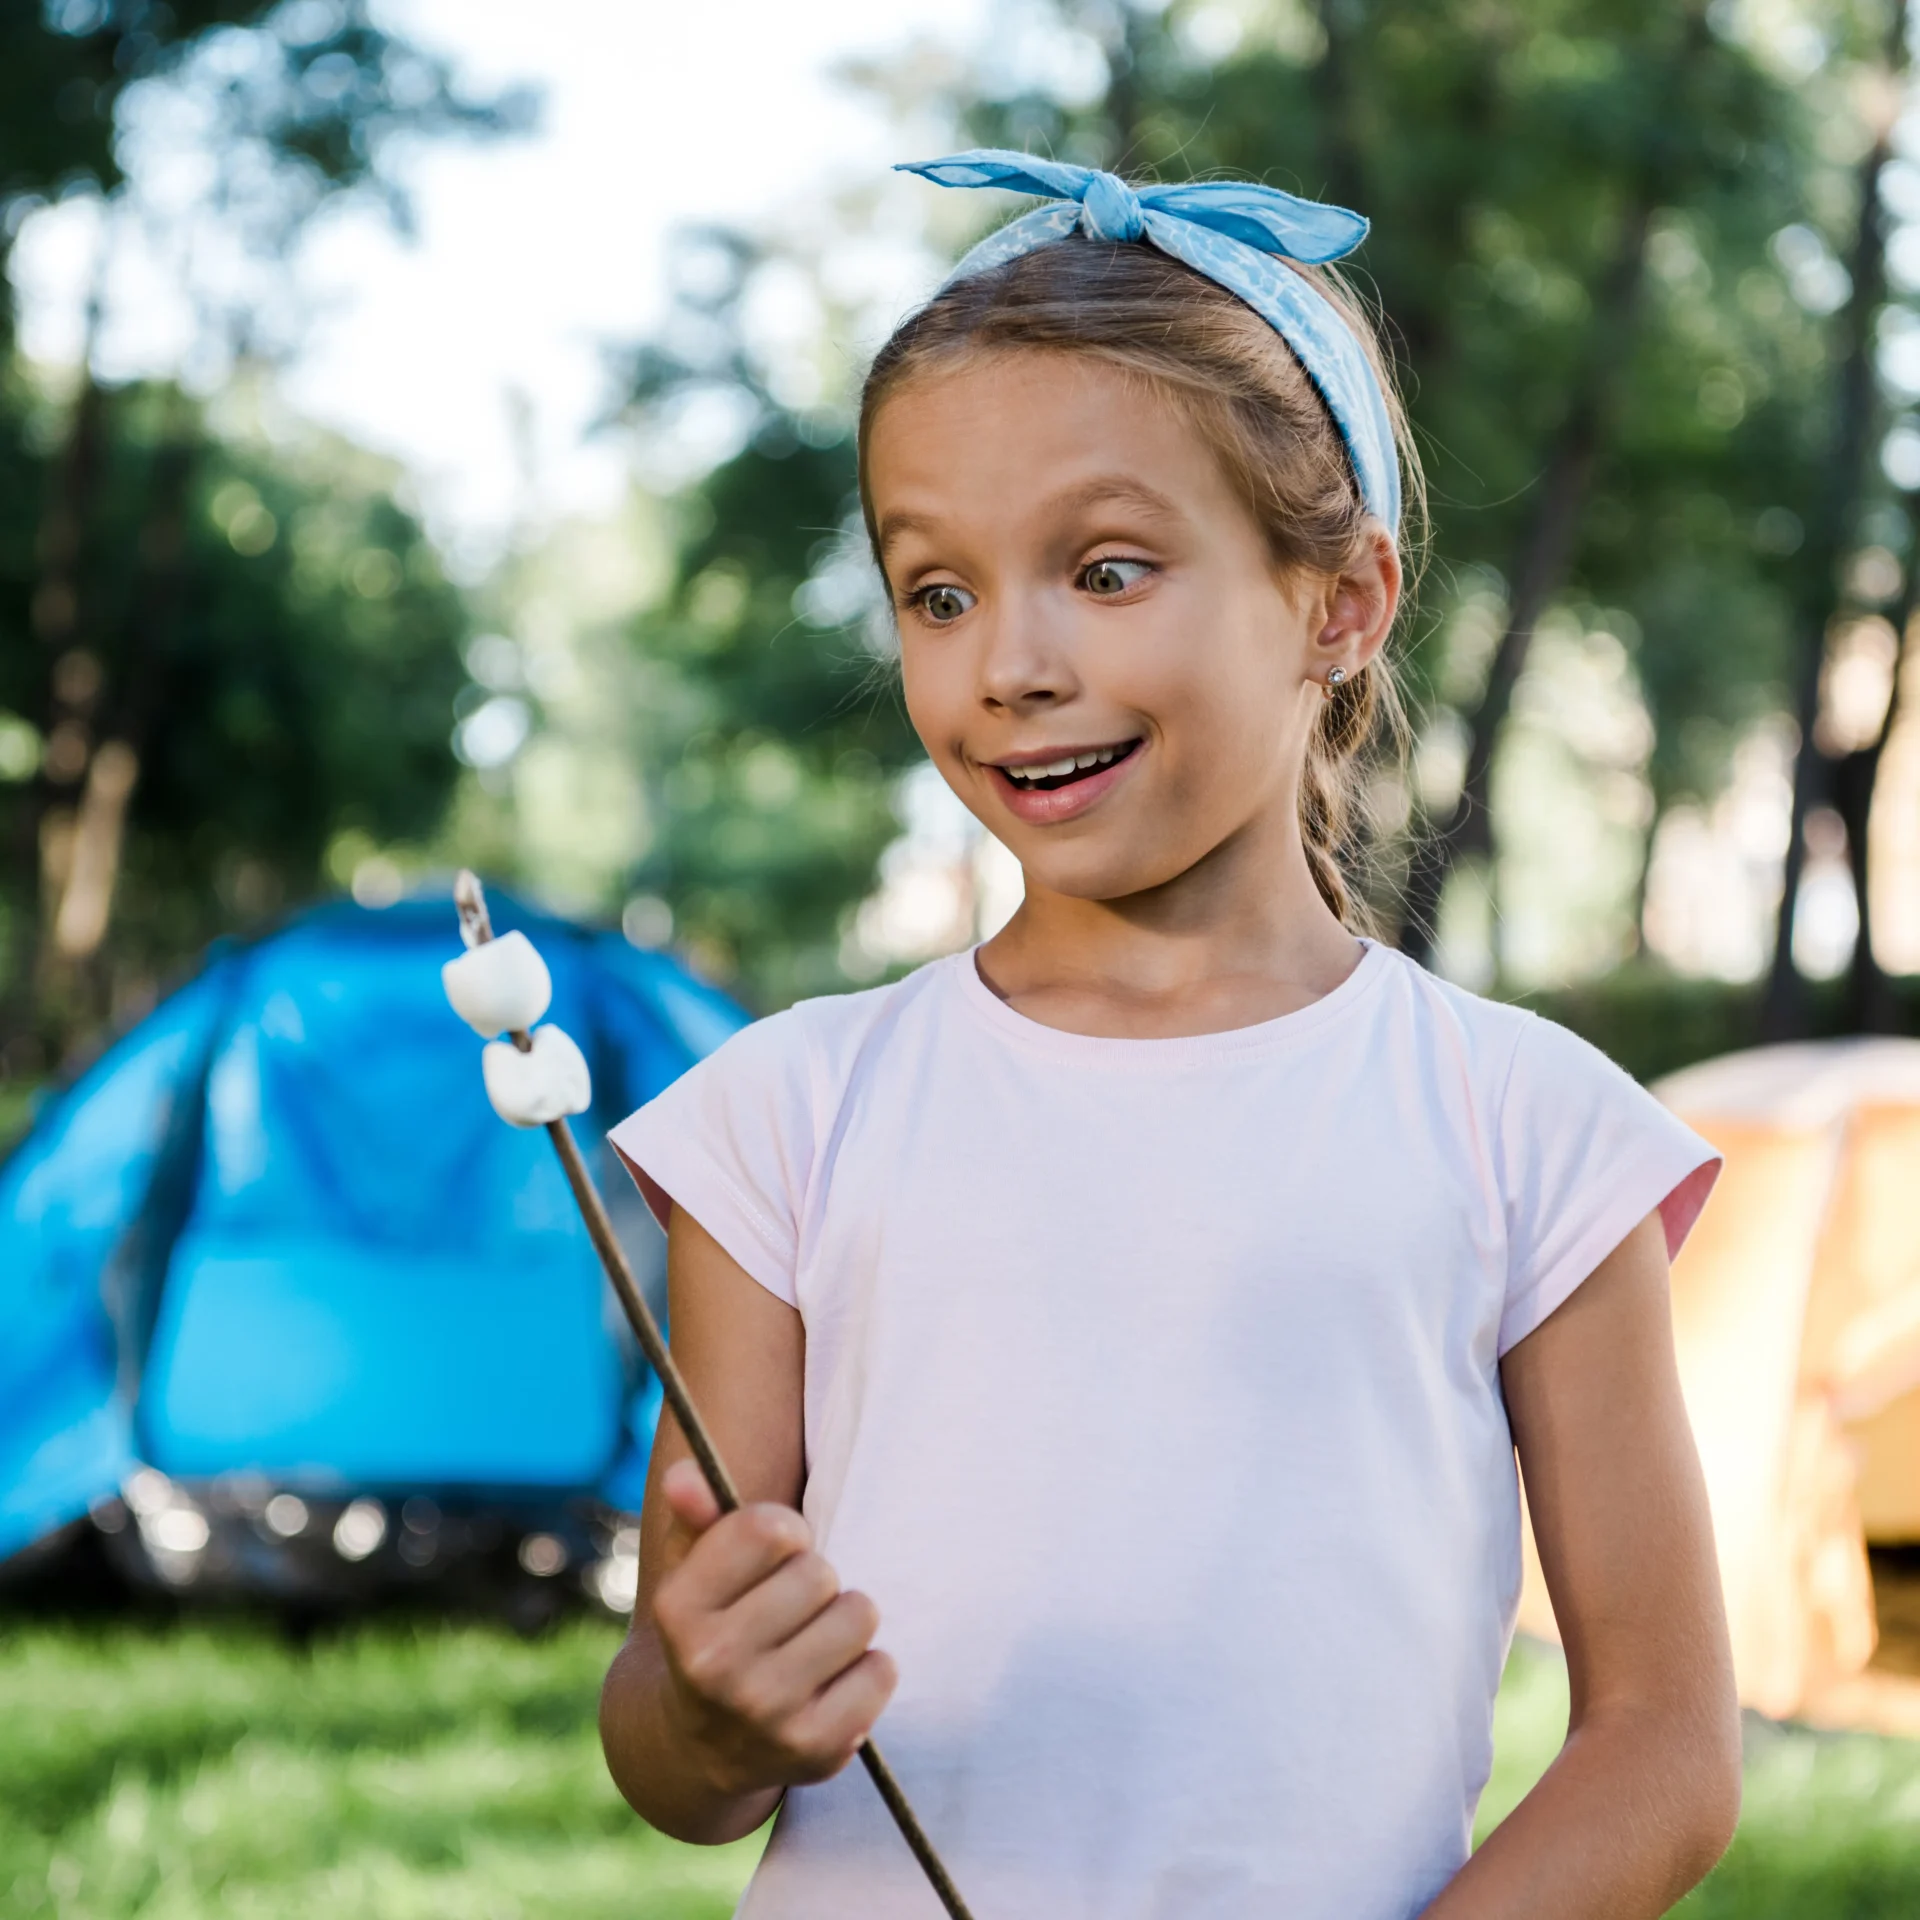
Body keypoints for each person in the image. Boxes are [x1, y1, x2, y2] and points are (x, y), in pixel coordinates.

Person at [598, 151, 1739, 1920]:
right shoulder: (785, 1118)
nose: (1009, 665)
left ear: (1341, 603)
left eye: (1107, 569)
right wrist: (705, 1701)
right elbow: (675, 1770)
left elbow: (1666, 1744)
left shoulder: (1530, 1129)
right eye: (938, 592)